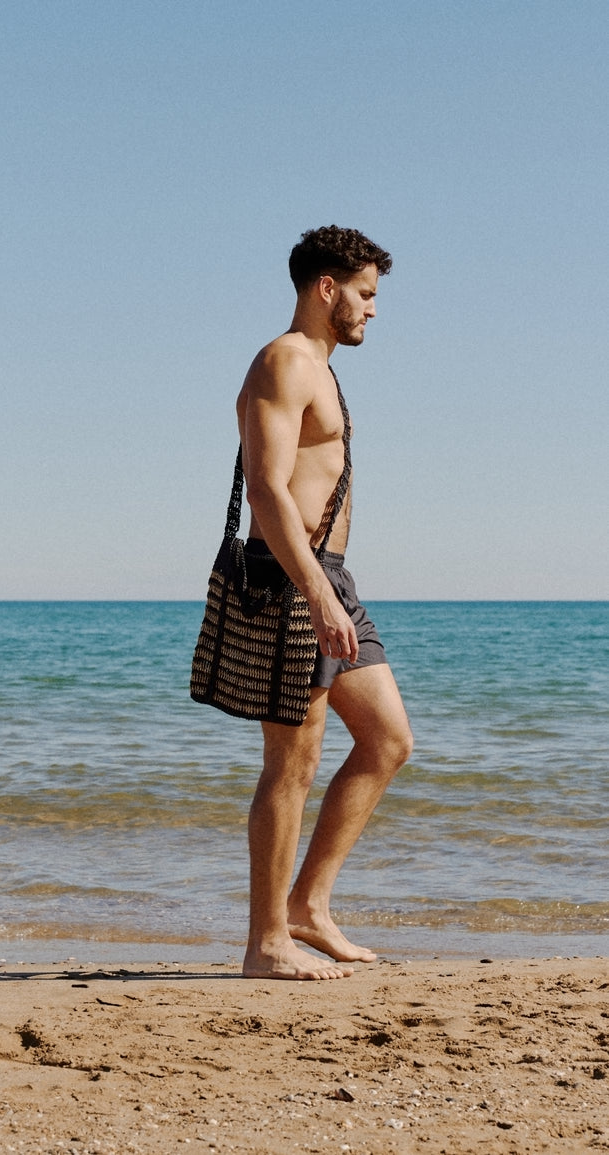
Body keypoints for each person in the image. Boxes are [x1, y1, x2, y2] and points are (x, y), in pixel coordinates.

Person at [236, 226, 413, 980]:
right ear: (327, 287)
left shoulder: (321, 368)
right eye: (366, 294)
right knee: (293, 761)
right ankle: (266, 942)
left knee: (386, 740)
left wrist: (330, 588)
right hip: (292, 579)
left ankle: (309, 906)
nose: (374, 311)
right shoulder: (285, 360)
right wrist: (314, 593)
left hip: (330, 576)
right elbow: (267, 488)